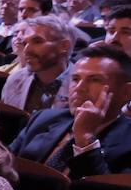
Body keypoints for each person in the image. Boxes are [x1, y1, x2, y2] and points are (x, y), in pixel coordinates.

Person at [10, 43, 131, 178]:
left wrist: (85, 138)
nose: (79, 88)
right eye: (75, 79)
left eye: (95, 80)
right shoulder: (43, 118)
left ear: (127, 92)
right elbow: (7, 161)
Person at [1, 15, 73, 113]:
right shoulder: (15, 80)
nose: (26, 50)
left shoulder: (82, 85)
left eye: (37, 42)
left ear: (64, 46)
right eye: (24, 43)